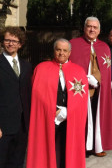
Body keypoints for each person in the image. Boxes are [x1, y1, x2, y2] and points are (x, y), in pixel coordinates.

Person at [26, 39, 88, 168]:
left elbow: (82, 98)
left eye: (65, 50)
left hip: (69, 118)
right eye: (58, 49)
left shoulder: (79, 71)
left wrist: (67, 111)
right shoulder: (41, 68)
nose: (61, 53)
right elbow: (37, 95)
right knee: (48, 147)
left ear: (70, 53)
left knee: (66, 149)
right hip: (49, 116)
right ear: (54, 50)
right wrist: (53, 110)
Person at [69, 17, 112, 156]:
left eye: (95, 27)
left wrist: (98, 80)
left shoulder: (104, 47)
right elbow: (69, 68)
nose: (92, 29)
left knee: (96, 118)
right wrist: (85, 79)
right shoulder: (73, 44)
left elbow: (106, 71)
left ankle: (96, 146)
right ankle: (81, 148)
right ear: (84, 28)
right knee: (82, 120)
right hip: (79, 90)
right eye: (89, 26)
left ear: (99, 31)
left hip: (98, 91)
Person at [0, 27, 32, 168]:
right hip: (3, 126)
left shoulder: (27, 66)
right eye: (7, 40)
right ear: (2, 42)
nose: (11, 43)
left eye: (14, 41)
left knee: (18, 162)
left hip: (22, 125)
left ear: (20, 44)